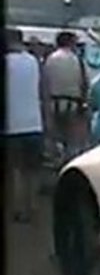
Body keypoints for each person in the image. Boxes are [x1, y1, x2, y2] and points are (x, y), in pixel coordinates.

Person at [5, 28, 48, 223]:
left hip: (11, 126)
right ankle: (34, 206)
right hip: (34, 123)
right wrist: (47, 120)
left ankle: (19, 209)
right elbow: (43, 91)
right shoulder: (34, 62)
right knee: (33, 169)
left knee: (16, 170)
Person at [44, 30, 89, 161]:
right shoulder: (77, 60)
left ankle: (57, 159)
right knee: (72, 141)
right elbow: (85, 83)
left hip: (53, 103)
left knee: (55, 138)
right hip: (73, 104)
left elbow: (45, 83)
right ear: (71, 43)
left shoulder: (50, 59)